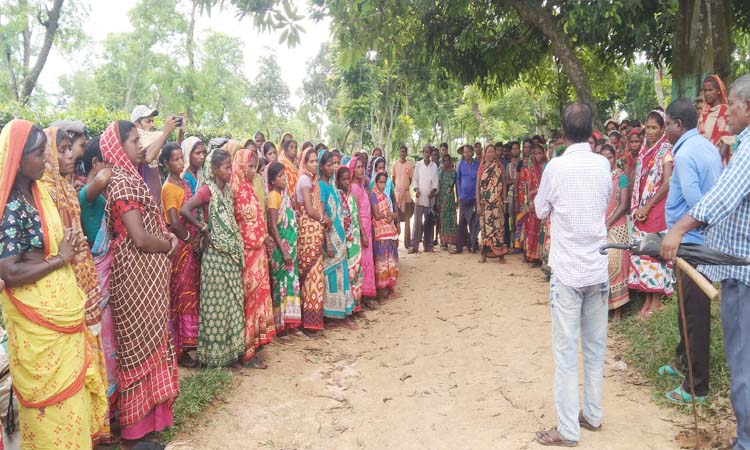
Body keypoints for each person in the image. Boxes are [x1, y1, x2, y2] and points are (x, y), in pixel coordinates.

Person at [0, 120, 107, 448]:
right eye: (38, 154)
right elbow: (10, 272)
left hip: (62, 313)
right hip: (38, 324)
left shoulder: (39, 194)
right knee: (49, 411)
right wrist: (60, 259)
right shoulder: (11, 207)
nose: (46, 160)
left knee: (72, 404)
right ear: (17, 158)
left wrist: (67, 249)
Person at [661, 75, 750, 450]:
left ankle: (743, 439)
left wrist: (678, 230)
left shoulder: (738, 149)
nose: (725, 113)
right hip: (723, 257)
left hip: (727, 264)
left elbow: (712, 198)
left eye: (731, 105)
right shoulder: (714, 146)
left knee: (739, 357)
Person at [533, 103, 611, 447]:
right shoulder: (603, 165)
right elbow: (605, 201)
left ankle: (567, 429)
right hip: (597, 267)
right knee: (595, 348)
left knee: (566, 354)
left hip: (567, 272)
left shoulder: (556, 167)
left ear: (563, 133)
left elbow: (540, 210)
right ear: (592, 131)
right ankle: (592, 414)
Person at [101, 120, 179, 446]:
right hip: (134, 277)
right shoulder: (121, 183)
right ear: (117, 147)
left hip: (147, 275)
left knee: (152, 341)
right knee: (136, 349)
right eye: (134, 141)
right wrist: (168, 245)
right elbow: (140, 238)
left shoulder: (132, 177)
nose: (141, 146)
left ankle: (150, 423)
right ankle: (134, 433)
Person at [658, 98, 723, 405]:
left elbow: (700, 205)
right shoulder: (705, 146)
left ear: (678, 124)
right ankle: (681, 360)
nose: (665, 131)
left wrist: (678, 232)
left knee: (694, 313)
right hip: (695, 241)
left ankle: (696, 386)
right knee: (686, 308)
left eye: (667, 125)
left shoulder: (684, 155)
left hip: (692, 242)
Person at [181, 149, 245, 367]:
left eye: (231, 167)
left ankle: (231, 354)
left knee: (233, 304)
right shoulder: (207, 191)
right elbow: (185, 209)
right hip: (215, 256)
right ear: (216, 169)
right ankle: (213, 359)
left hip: (230, 256)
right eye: (226, 168)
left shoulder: (226, 191)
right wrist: (202, 228)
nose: (230, 171)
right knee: (216, 307)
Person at [79, 137, 120, 421]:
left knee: (111, 342)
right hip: (97, 276)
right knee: (104, 343)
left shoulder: (100, 196)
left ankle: (112, 408)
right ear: (96, 162)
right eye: (109, 159)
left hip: (107, 273)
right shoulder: (86, 194)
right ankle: (103, 413)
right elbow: (103, 179)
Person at [231, 148, 277, 367]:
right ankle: (247, 352)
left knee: (259, 299)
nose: (251, 170)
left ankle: (256, 343)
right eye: (248, 166)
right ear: (240, 166)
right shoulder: (236, 190)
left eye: (253, 166)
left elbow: (257, 220)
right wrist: (261, 239)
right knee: (249, 301)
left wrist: (265, 238)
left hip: (258, 253)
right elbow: (240, 226)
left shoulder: (249, 188)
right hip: (248, 253)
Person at [629, 110, 675, 319]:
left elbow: (667, 183)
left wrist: (648, 207)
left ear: (663, 129)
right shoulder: (644, 151)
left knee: (654, 253)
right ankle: (647, 300)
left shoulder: (666, 151)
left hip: (657, 209)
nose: (649, 131)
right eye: (647, 127)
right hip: (642, 209)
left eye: (654, 127)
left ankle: (656, 302)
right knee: (642, 253)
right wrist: (638, 207)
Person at [160, 143, 201, 368]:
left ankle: (189, 341)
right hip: (181, 246)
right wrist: (189, 239)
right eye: (175, 159)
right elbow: (174, 223)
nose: (179, 163)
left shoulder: (183, 183)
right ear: (166, 163)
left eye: (180, 158)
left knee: (190, 294)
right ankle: (179, 349)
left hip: (190, 245)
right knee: (180, 296)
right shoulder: (169, 188)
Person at [318, 151, 356, 327]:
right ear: (321, 167)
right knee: (332, 276)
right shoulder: (321, 187)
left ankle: (344, 312)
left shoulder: (332, 185)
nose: (332, 168)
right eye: (328, 165)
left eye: (334, 164)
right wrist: (327, 241)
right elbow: (322, 215)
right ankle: (331, 314)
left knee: (343, 275)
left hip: (340, 236)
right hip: (331, 239)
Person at [265, 162, 302, 338]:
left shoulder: (284, 196)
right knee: (281, 286)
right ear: (272, 181)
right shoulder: (274, 197)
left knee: (292, 286)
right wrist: (284, 251)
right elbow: (273, 226)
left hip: (290, 248)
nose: (284, 179)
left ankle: (292, 324)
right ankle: (281, 328)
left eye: (284, 175)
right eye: (280, 176)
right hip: (281, 251)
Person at [296, 147, 328, 333]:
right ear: (304, 162)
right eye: (311, 161)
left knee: (315, 275)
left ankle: (313, 321)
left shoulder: (312, 180)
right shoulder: (305, 180)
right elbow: (309, 209)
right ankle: (309, 323)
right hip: (308, 231)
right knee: (311, 276)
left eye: (317, 161)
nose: (315, 164)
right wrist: (324, 220)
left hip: (314, 231)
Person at [130, 105, 183, 206]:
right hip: (144, 203)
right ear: (137, 125)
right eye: (148, 121)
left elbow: (172, 156)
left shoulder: (154, 143)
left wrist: (181, 132)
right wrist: (165, 133)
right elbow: (148, 157)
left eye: (152, 121)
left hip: (156, 203)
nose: (152, 125)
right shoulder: (136, 146)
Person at [599, 144, 631, 312]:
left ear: (615, 158)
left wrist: (608, 223)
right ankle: (607, 307)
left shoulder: (621, 177)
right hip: (601, 226)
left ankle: (619, 308)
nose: (607, 161)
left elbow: (624, 204)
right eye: (603, 158)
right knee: (603, 265)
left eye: (610, 157)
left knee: (618, 264)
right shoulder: (598, 176)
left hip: (617, 226)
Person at [348, 157, 377, 306]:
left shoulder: (361, 186)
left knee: (368, 259)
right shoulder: (353, 188)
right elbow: (356, 213)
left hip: (367, 226)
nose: (361, 170)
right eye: (358, 167)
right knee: (362, 261)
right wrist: (363, 233)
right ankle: (362, 296)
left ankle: (366, 295)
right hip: (361, 228)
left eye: (362, 167)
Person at [337, 166, 363, 311]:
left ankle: (357, 305)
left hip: (355, 240)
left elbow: (357, 216)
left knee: (357, 271)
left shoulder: (352, 197)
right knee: (349, 273)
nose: (346, 182)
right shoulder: (338, 197)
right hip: (345, 242)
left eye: (348, 179)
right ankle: (350, 307)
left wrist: (362, 234)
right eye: (343, 179)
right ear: (338, 181)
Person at [476, 144, 508, 263]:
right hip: (485, 205)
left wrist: (505, 201)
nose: (490, 154)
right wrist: (478, 204)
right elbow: (477, 187)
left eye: (492, 151)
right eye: (488, 151)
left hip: (497, 204)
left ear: (495, 153)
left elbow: (504, 183)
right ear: (485, 153)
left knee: (499, 230)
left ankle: (501, 256)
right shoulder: (481, 168)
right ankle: (484, 255)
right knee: (485, 230)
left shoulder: (499, 166)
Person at [370, 172, 399, 299]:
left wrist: (391, 215)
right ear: (376, 183)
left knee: (390, 261)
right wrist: (389, 214)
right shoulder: (373, 195)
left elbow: (392, 214)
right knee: (382, 263)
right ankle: (382, 291)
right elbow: (377, 215)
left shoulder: (385, 196)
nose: (382, 185)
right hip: (380, 233)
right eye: (380, 182)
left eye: (384, 183)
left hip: (389, 231)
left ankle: (389, 289)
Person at [698, 75, 735, 165]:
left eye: (710, 90)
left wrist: (714, 163)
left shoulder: (725, 112)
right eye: (705, 91)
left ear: (718, 91)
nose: (707, 93)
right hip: (701, 160)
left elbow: (726, 141)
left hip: (717, 162)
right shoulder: (704, 112)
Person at [410, 145, 439, 253]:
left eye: (428, 152)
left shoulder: (434, 166)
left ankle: (428, 245)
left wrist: (433, 191)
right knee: (417, 223)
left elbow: (436, 182)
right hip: (419, 199)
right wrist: (416, 190)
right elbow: (415, 179)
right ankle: (414, 246)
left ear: (431, 154)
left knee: (429, 223)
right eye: (425, 152)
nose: (426, 154)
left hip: (429, 200)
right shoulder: (418, 165)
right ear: (423, 153)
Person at [453, 145, 480, 254]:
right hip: (464, 198)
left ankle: (473, 245)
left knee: (473, 223)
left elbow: (479, 181)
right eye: (465, 152)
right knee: (462, 223)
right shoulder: (460, 165)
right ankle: (459, 247)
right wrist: (459, 194)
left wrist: (478, 196)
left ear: (472, 152)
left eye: (469, 151)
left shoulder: (477, 165)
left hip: (474, 198)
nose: (467, 154)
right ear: (463, 154)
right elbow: (458, 180)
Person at [525, 144, 548, 266]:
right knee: (533, 228)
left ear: (544, 153)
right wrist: (530, 201)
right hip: (534, 201)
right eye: (536, 153)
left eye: (540, 153)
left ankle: (543, 257)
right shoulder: (532, 169)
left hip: (545, 202)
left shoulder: (548, 167)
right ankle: (533, 257)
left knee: (544, 229)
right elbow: (528, 187)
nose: (538, 156)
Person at [392, 145, 414, 250]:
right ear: (399, 152)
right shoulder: (395, 165)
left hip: (407, 195)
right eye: (401, 151)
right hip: (397, 196)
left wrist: (404, 188)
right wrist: (398, 189)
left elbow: (410, 180)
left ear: (406, 153)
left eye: (404, 151)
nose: (403, 153)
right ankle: (395, 242)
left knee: (407, 220)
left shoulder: (409, 165)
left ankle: (407, 243)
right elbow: (393, 179)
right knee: (396, 220)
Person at [438, 153, 457, 250]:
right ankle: (443, 242)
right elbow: (438, 186)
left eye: (448, 160)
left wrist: (457, 199)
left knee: (451, 219)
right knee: (443, 220)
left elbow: (456, 186)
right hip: (442, 199)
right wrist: (438, 201)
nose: (446, 162)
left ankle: (451, 241)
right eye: (444, 160)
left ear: (450, 161)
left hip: (451, 198)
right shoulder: (441, 171)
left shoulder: (454, 172)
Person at [279, 138, 300, 210]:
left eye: (296, 148)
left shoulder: (295, 165)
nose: (294, 150)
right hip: (287, 200)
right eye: (291, 147)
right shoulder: (282, 164)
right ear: (285, 150)